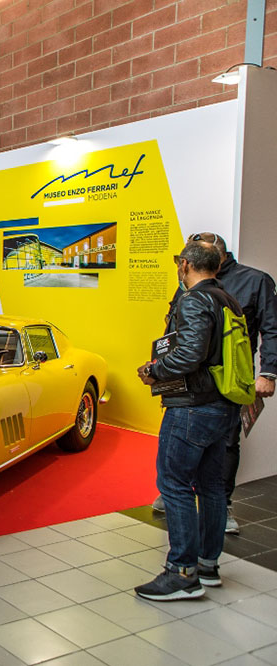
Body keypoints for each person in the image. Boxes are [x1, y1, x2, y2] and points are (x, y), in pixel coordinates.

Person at [134, 242, 243, 601]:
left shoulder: (195, 299)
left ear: (185, 265)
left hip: (192, 407)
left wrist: (155, 371)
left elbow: (191, 352)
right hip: (221, 405)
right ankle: (208, 564)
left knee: (175, 484)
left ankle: (181, 573)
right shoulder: (228, 298)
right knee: (211, 486)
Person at [151, 232, 277, 535]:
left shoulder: (253, 281)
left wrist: (268, 372)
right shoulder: (193, 286)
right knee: (193, 454)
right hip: (190, 384)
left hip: (225, 383)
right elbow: (175, 329)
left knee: (221, 449)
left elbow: (271, 329)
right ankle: (205, 552)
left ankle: (192, 550)